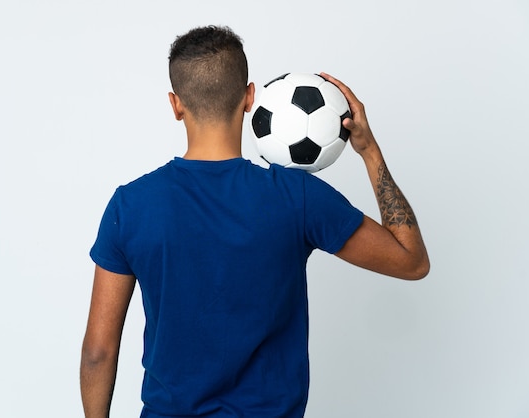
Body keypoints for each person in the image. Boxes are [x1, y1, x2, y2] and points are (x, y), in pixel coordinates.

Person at [80, 25, 429, 418]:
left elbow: (98, 351)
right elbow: (412, 261)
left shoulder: (130, 206)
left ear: (175, 105)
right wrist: (368, 150)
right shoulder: (296, 197)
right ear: (249, 98)